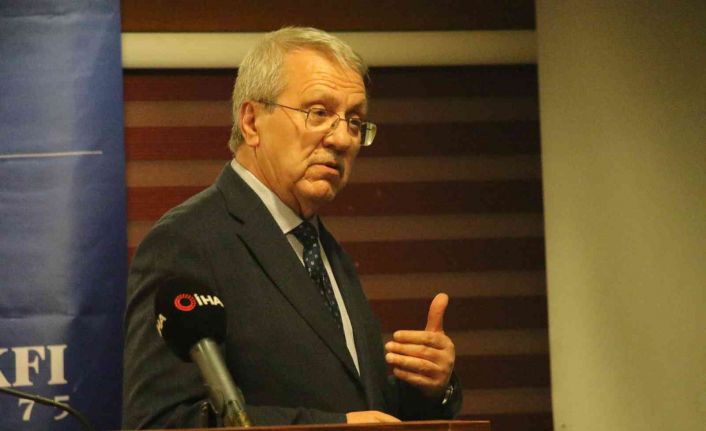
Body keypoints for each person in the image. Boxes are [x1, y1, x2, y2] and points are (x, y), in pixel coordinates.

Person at [122, 26, 462, 429]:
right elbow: (161, 421)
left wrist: (431, 387)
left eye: (355, 121)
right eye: (318, 113)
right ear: (252, 122)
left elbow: (362, 406)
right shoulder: (186, 242)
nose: (342, 139)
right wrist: (335, 427)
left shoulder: (325, 250)